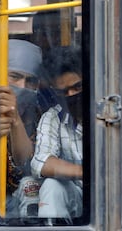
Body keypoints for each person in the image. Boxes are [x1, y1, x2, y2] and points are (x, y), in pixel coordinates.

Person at [30, 46, 83, 220]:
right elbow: (41, 162)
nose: (72, 95)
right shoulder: (53, 117)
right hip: (78, 195)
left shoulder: (108, 111)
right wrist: (88, 172)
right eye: (64, 92)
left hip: (118, 195)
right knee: (52, 186)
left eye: (78, 87)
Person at [0, 39, 43, 219]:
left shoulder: (39, 113)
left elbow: (26, 163)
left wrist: (15, 120)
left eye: (30, 80)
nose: (23, 87)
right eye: (15, 76)